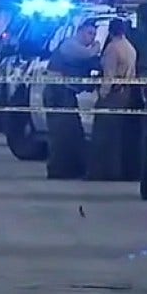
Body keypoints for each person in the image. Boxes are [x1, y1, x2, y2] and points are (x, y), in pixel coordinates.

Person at [44, 20, 101, 179]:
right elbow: (89, 55)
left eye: (94, 35)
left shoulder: (75, 47)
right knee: (60, 134)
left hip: (66, 94)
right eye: (90, 33)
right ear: (80, 31)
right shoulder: (70, 45)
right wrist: (97, 45)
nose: (92, 37)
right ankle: (58, 170)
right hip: (57, 94)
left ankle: (71, 169)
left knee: (73, 133)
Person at [87, 18, 138, 181]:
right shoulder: (130, 48)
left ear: (110, 31)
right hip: (126, 93)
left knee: (103, 135)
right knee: (117, 136)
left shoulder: (112, 49)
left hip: (113, 95)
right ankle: (116, 170)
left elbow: (108, 75)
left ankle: (101, 172)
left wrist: (103, 94)